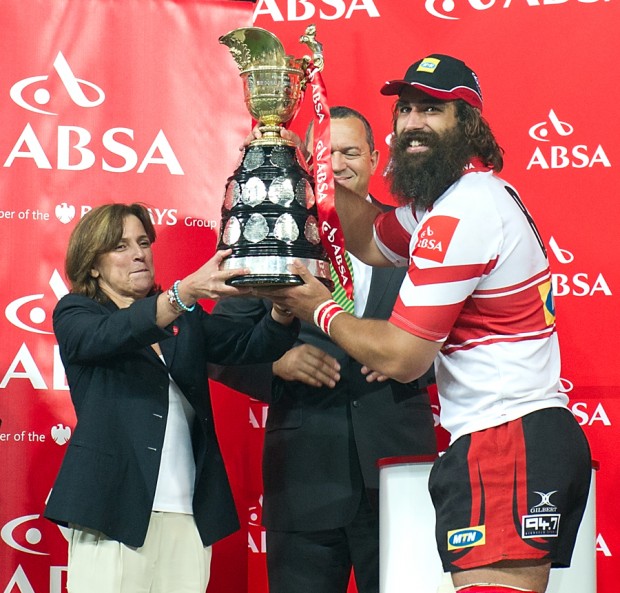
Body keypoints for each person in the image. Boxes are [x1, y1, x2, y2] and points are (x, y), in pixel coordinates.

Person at [254, 56, 592, 593]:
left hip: (506, 439)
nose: (411, 122)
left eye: (431, 110)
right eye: (405, 109)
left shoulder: (463, 214)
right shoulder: (450, 204)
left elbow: (402, 356)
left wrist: (317, 306)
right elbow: (366, 237)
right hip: (508, 436)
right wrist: (316, 169)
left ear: (469, 124)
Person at [210, 106, 437, 593]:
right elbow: (219, 345)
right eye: (323, 153)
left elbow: (461, 330)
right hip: (305, 479)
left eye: (349, 152)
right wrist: (277, 362)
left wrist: (413, 360)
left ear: (377, 158)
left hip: (400, 475)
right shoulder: (270, 231)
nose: (335, 164)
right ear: (305, 162)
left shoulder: (419, 234)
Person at [44, 202, 299, 593]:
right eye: (121, 246)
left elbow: (249, 346)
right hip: (113, 512)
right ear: (92, 264)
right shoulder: (77, 313)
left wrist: (282, 306)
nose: (138, 253)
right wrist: (183, 293)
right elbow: (114, 334)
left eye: (143, 242)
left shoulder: (185, 319)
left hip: (188, 515)